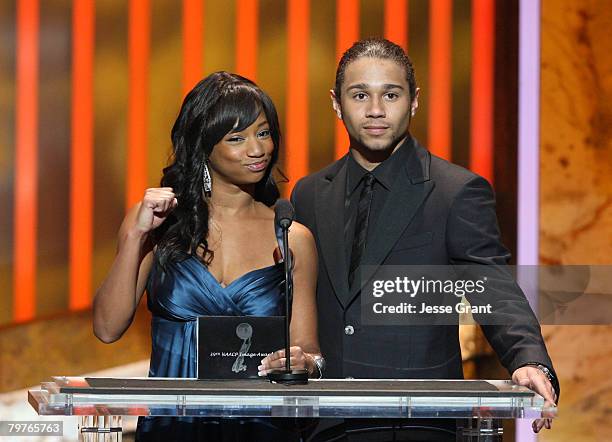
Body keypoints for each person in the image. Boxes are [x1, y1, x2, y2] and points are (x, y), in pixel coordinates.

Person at [290, 38, 559, 440]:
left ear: (414, 101)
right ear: (336, 102)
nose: (376, 110)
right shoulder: (309, 193)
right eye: (360, 94)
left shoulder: (455, 191)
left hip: (417, 420)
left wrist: (527, 359)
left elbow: (491, 284)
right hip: (325, 422)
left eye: (391, 94)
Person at [93, 71, 320, 441]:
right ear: (204, 146)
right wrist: (136, 235)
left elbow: (308, 348)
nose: (257, 149)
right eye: (237, 138)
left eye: (264, 133)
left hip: (261, 426)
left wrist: (305, 362)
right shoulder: (157, 227)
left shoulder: (292, 235)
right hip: (173, 425)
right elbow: (106, 328)